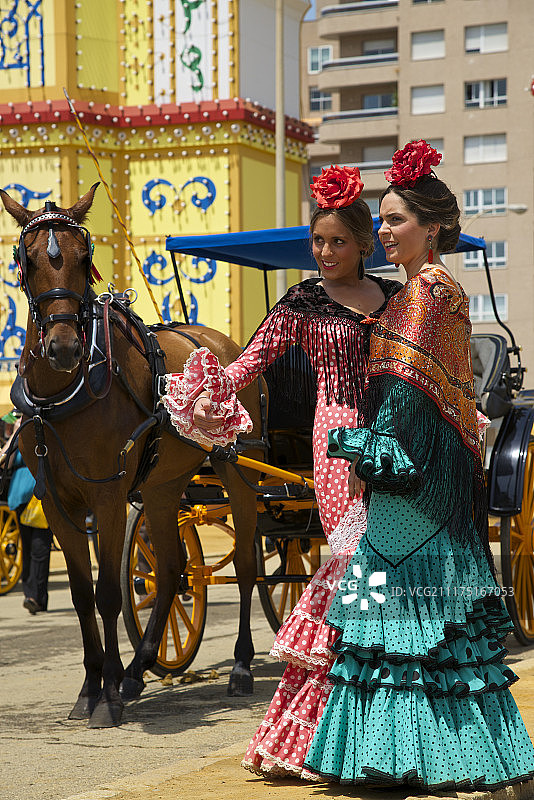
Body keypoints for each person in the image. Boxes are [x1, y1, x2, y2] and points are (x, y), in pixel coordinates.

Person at [299, 140, 534, 789]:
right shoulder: (414, 295)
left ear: (432, 228)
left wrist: (361, 447)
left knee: (401, 625)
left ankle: (407, 758)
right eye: (382, 219)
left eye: (396, 219)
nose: (383, 229)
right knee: (408, 627)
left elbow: (404, 399)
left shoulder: (429, 291)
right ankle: (406, 755)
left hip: (414, 493)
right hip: (408, 492)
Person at [161, 165, 401, 775]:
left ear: (363, 243)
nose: (324, 253)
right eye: (317, 242)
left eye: (336, 242)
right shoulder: (302, 301)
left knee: (393, 565)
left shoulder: (397, 298)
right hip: (339, 439)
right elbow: (250, 362)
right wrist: (202, 391)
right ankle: (327, 727)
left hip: (400, 438)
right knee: (355, 564)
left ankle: (392, 723)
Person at [1, 413, 52, 614]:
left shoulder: (44, 431)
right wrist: (15, 435)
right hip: (20, 497)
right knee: (28, 546)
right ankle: (31, 595)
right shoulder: (18, 434)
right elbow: (7, 461)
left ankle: (36, 597)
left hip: (42, 496)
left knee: (40, 547)